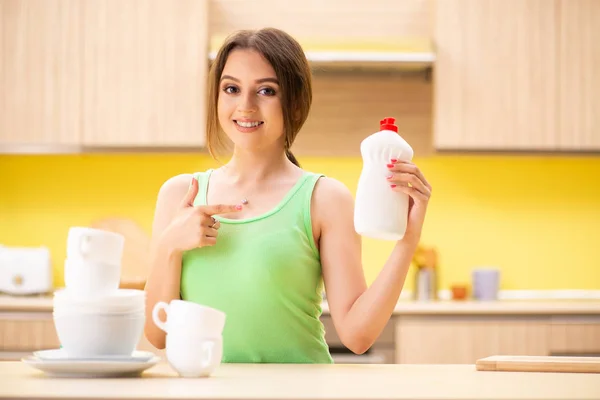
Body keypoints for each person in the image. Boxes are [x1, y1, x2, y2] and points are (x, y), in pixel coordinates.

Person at [144, 27, 432, 364]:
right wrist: (169, 245)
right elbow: (157, 335)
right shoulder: (180, 196)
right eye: (232, 88)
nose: (245, 106)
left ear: (295, 105)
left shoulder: (325, 199)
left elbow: (357, 335)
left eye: (266, 90)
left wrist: (408, 239)